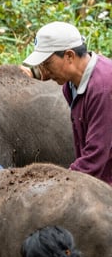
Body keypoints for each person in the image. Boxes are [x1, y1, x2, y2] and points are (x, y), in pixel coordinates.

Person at [23, 21, 112, 184]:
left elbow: (96, 156)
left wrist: (59, 183)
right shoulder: (70, 85)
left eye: (47, 63)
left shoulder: (103, 88)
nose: (45, 70)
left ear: (69, 56)